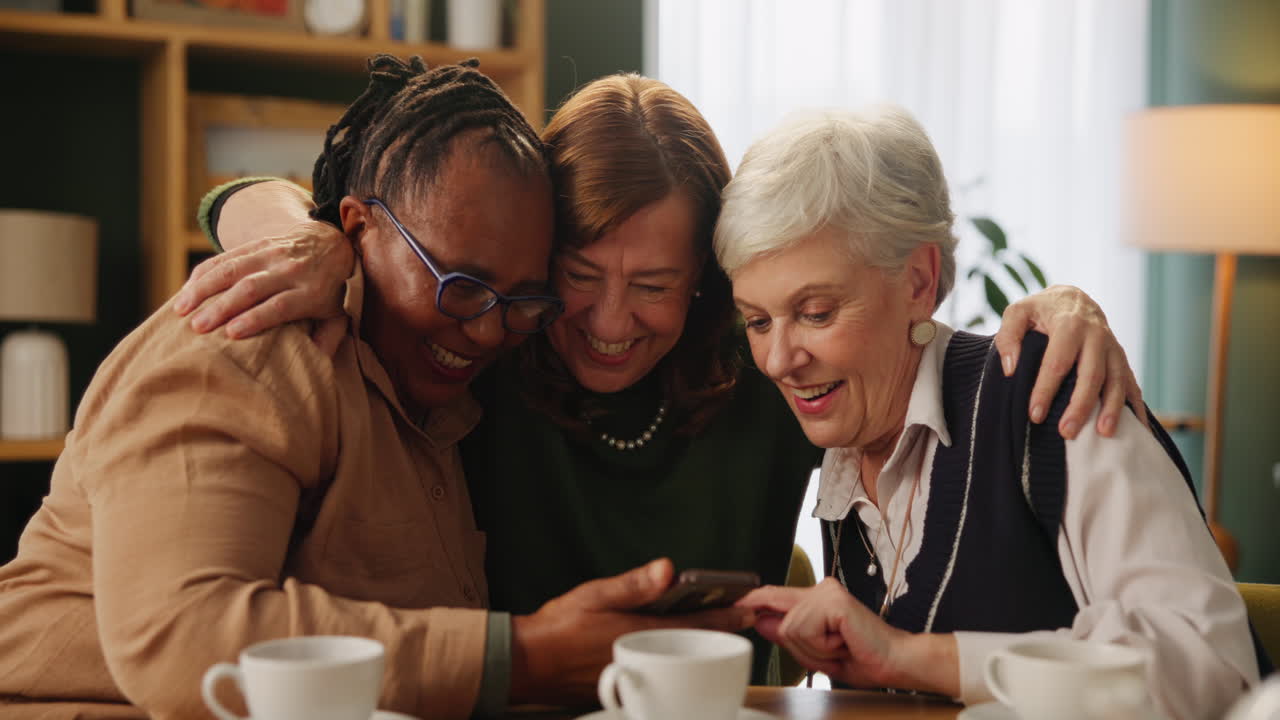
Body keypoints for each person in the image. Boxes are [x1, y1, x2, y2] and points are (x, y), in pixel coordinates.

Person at [176, 73, 1146, 684]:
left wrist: (1065, 306)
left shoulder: (759, 366)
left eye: (653, 286)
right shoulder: (484, 351)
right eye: (576, 277)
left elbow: (890, 332)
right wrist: (314, 244)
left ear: (708, 287)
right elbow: (234, 199)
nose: (605, 323)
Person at [0, 57, 752, 720]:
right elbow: (187, 636)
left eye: (520, 299)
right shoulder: (250, 341)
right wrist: (524, 655)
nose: (489, 330)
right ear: (358, 230)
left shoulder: (467, 382)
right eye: (461, 286)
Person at [715, 105, 1264, 720]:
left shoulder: (1053, 396)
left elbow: (1215, 670)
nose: (780, 360)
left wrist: (906, 656)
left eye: (816, 312)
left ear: (919, 283)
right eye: (758, 321)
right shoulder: (845, 434)